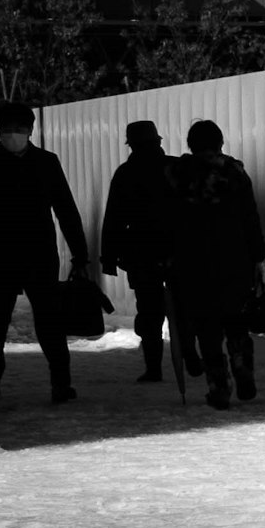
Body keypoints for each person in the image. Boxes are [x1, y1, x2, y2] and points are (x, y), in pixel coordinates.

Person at [0, 103, 92, 404]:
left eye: (18, 128)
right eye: (8, 129)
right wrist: (80, 254)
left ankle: (2, 386)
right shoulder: (39, 162)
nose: (13, 134)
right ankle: (49, 384)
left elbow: (66, 210)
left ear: (30, 130)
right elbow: (66, 211)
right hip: (25, 252)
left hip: (8, 254)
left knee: (11, 322)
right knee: (12, 323)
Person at [165, 120, 265, 407]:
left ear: (191, 144)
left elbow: (166, 222)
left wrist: (167, 257)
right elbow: (250, 216)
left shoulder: (177, 175)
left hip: (192, 263)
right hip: (234, 259)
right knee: (236, 321)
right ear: (220, 142)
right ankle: (243, 369)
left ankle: (218, 385)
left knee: (207, 327)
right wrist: (259, 255)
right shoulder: (234, 173)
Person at [96, 121, 181, 383]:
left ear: (131, 145)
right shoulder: (175, 167)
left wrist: (109, 257)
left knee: (149, 312)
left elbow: (113, 219)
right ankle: (190, 357)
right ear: (158, 141)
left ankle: (154, 367)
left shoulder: (126, 173)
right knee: (185, 306)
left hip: (141, 254)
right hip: (179, 250)